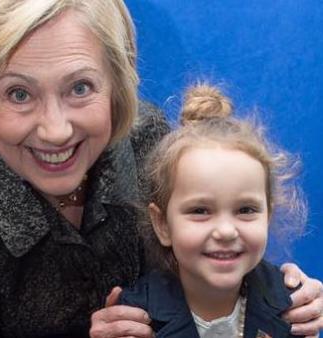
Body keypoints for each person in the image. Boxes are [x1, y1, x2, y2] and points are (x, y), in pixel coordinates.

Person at [0, 1, 323, 337]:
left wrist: (273, 291)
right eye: (18, 94)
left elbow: (202, 239)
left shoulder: (148, 139)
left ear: (116, 85)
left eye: (80, 87)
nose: (55, 131)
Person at [116, 83, 308, 337]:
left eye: (246, 209)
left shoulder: (293, 306)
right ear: (162, 225)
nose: (226, 231)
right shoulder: (135, 318)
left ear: (268, 216)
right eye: (200, 211)